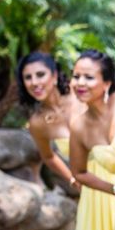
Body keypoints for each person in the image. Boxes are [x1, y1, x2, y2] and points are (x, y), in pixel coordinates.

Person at [69, 49, 115, 230]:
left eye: (89, 77)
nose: (80, 83)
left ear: (107, 82)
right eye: (76, 76)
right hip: (101, 196)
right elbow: (79, 172)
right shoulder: (78, 126)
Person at [18, 52, 84, 188]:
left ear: (54, 76)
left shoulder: (81, 92)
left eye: (40, 75)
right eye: (28, 78)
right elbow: (48, 157)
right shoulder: (37, 123)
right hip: (90, 186)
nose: (34, 82)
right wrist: (72, 180)